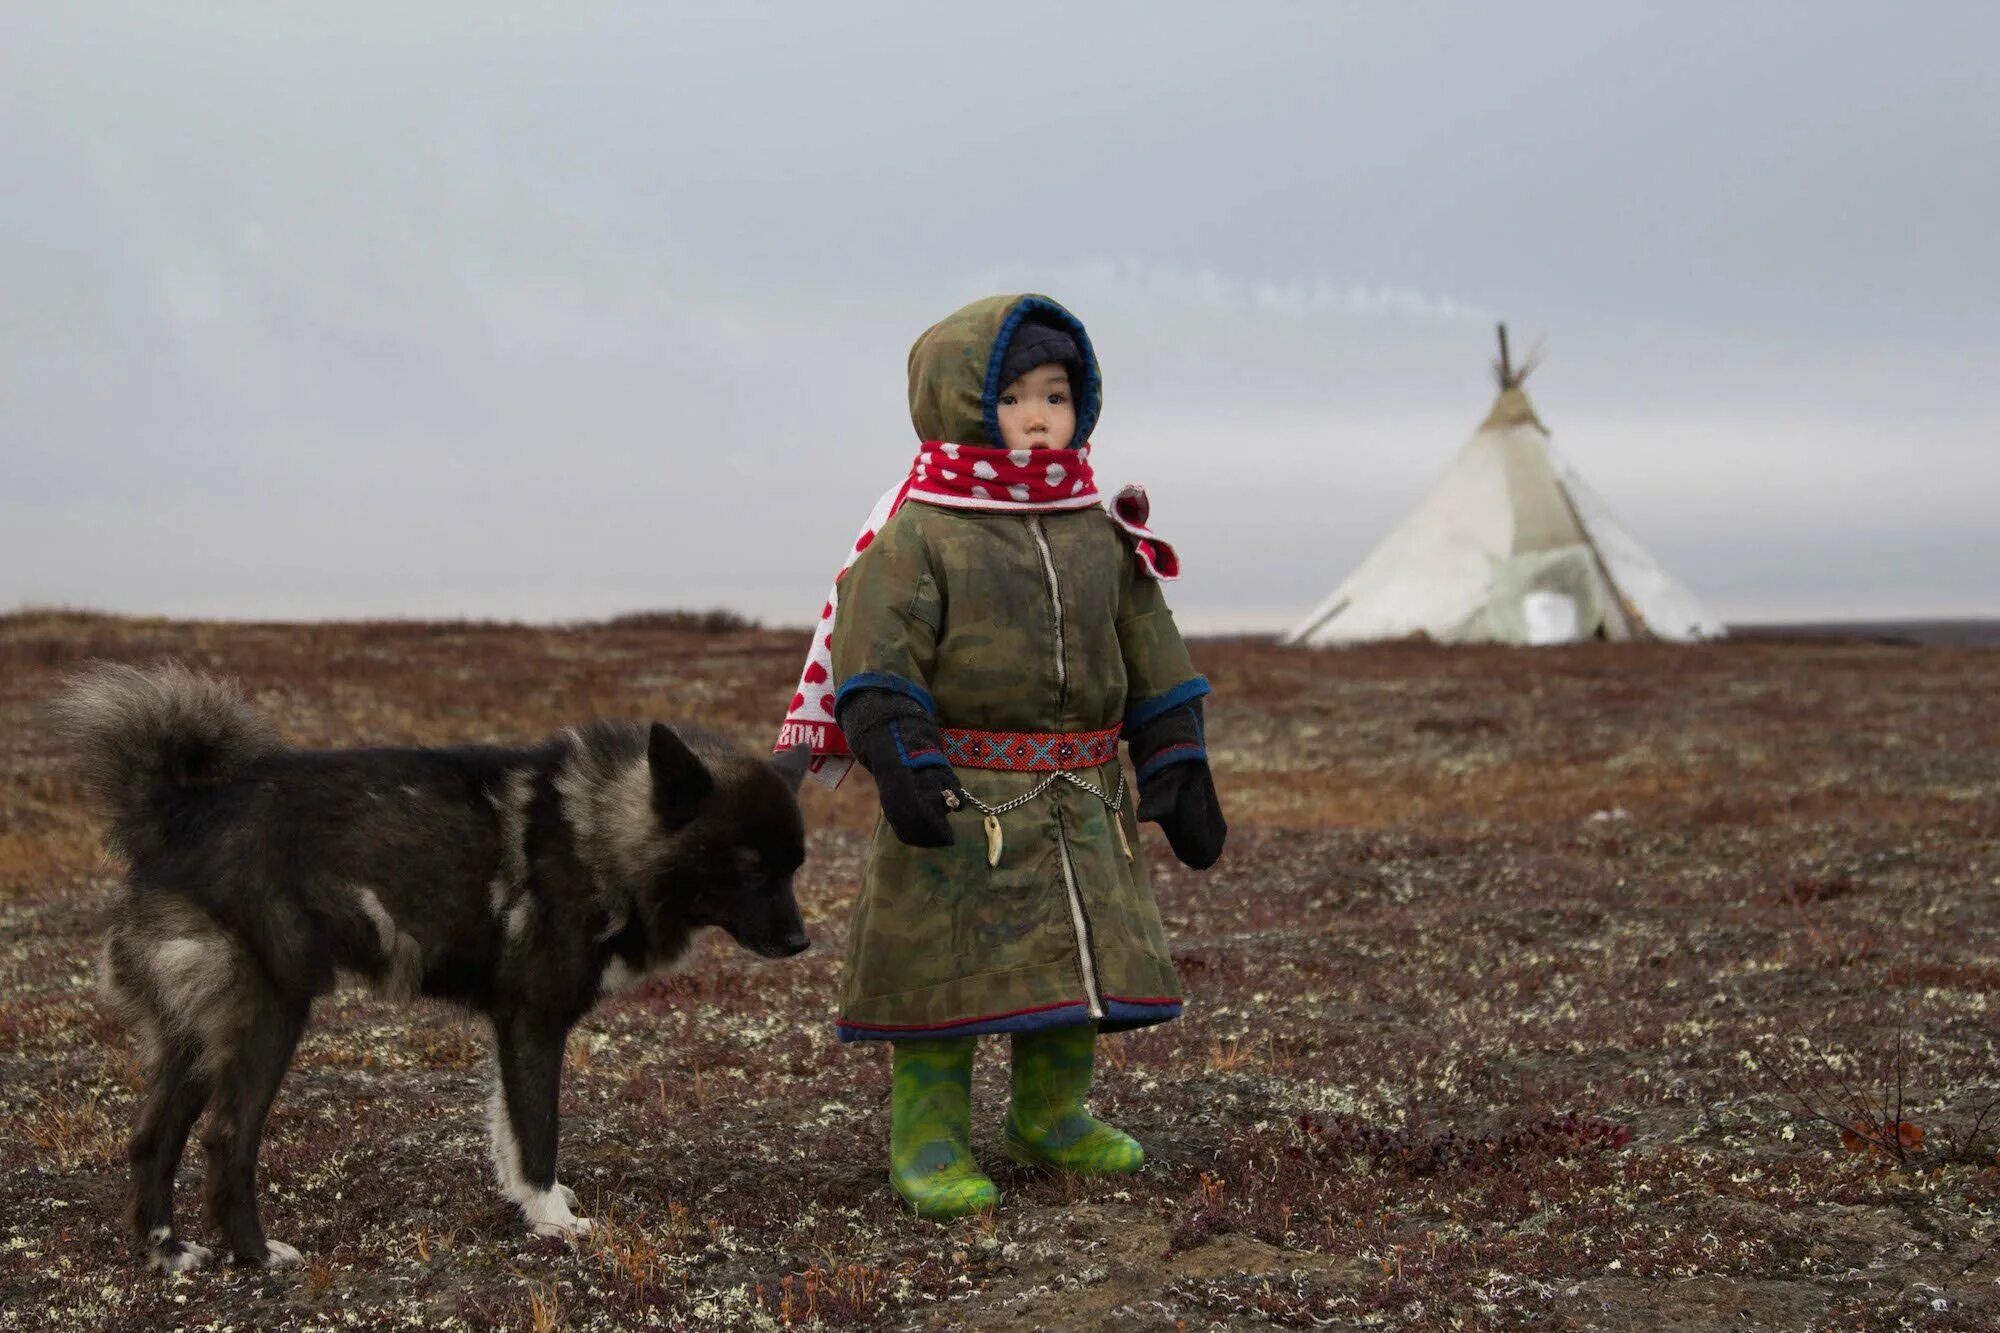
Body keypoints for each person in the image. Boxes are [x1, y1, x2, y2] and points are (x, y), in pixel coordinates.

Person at [777, 293, 1225, 1219]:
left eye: (1056, 395)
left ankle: (1051, 1116)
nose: (1037, 414)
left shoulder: (1100, 530)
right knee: (944, 973)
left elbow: (1149, 642)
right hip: (962, 798)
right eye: (1015, 395)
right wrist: (899, 749)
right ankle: (930, 1139)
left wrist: (1176, 756)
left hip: (1082, 799)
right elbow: (880, 648)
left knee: (1072, 967)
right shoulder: (922, 531)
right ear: (962, 402)